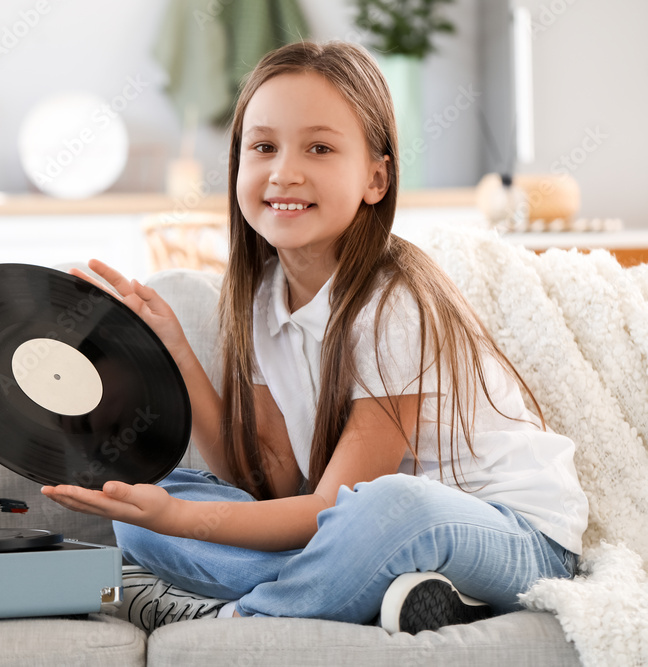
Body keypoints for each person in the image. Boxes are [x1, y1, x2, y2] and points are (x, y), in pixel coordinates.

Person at [40, 40, 587, 635]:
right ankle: (376, 589)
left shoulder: (394, 302)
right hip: (358, 530)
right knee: (141, 500)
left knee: (389, 508)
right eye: (264, 147)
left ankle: (240, 617)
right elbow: (266, 480)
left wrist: (182, 519)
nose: (284, 172)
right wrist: (174, 351)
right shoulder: (259, 295)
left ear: (376, 178)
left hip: (512, 536)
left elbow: (331, 508)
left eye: (320, 148)